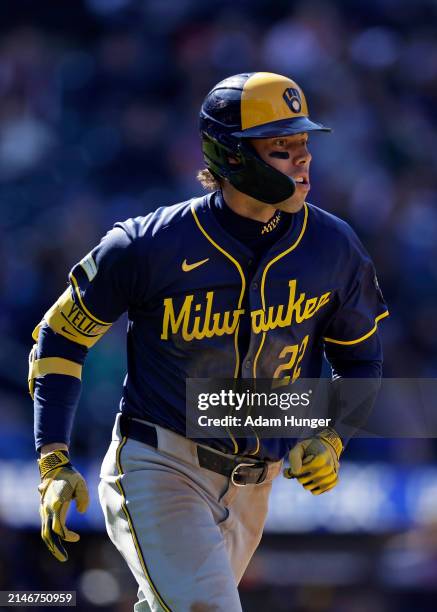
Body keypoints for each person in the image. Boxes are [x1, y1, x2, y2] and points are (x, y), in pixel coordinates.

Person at [29, 72, 388, 611]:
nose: (303, 158)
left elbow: (363, 362)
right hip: (160, 464)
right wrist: (53, 460)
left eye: (304, 143)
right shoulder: (146, 245)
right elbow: (59, 338)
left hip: (254, 487)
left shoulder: (333, 247)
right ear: (232, 156)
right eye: (282, 147)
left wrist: (332, 436)